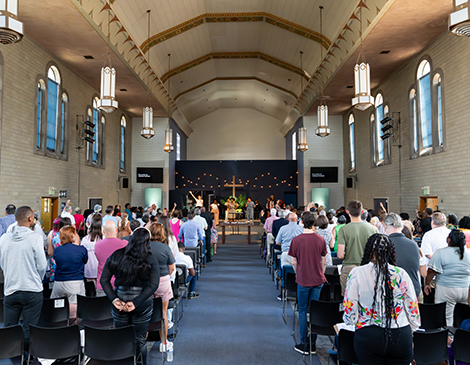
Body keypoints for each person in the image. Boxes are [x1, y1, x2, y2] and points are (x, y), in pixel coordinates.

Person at [343, 234, 420, 365]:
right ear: (390, 251)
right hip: (400, 334)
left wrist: (352, 321)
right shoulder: (401, 273)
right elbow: (413, 309)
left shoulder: (357, 273)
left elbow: (350, 310)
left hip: (369, 335)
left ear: (368, 250)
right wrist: (411, 330)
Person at [100, 228, 160, 365]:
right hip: (142, 301)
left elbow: (104, 280)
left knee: (121, 338)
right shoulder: (150, 258)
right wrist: (136, 302)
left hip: (120, 299)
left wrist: (114, 299)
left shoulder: (117, 255)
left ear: (131, 239)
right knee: (140, 340)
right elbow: (153, 285)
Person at [0, 206, 47, 355]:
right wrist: (37, 279)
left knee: (9, 328)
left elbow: (2, 263)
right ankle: (26, 358)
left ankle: (10, 356)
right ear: (31, 219)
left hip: (11, 288)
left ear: (15, 219)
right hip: (32, 290)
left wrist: (11, 274)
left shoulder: (4, 238)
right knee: (29, 329)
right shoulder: (35, 238)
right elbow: (42, 265)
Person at [289, 211, 327, 355]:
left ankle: (304, 343)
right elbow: (323, 261)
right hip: (318, 280)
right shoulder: (320, 239)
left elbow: (294, 261)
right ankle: (313, 343)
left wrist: (298, 273)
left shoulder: (296, 240)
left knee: (303, 311)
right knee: (314, 310)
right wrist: (321, 273)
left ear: (302, 222)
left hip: (303, 280)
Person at [425, 229, 470, 326]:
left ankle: (448, 337)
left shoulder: (441, 253)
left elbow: (431, 271)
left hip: (446, 289)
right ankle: (464, 336)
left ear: (448, 239)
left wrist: (427, 284)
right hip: (466, 289)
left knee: (446, 318)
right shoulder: (468, 253)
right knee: (465, 315)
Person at [337, 200, 376, 294]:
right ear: (362, 211)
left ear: (347, 212)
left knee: (349, 300)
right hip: (368, 268)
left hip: (349, 268)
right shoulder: (373, 229)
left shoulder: (343, 229)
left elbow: (340, 255)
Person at [148, 222, 175, 352]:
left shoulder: (144, 247)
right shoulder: (165, 248)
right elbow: (172, 268)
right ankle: (163, 343)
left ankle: (143, 341)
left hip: (147, 282)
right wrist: (165, 276)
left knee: (146, 313)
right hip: (162, 281)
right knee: (163, 313)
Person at [51, 225, 88, 319]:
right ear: (73, 236)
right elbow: (85, 261)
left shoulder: (57, 250)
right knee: (74, 314)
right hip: (75, 283)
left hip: (58, 283)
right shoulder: (81, 249)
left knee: (57, 311)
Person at [384, 213, 422, 300]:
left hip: (393, 290)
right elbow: (415, 268)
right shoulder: (413, 244)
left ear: (385, 226)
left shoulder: (385, 244)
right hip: (412, 289)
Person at [95, 220, 128, 296]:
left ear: (103, 231)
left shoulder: (97, 245)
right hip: (120, 284)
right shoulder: (124, 244)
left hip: (102, 285)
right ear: (116, 230)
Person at [82, 217, 103, 291]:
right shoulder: (103, 239)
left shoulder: (85, 239)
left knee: (91, 291)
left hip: (89, 268)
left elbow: (82, 254)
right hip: (101, 269)